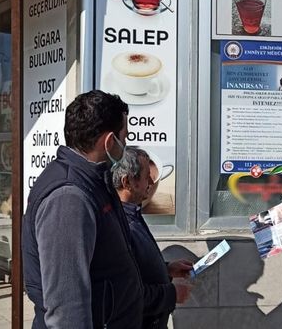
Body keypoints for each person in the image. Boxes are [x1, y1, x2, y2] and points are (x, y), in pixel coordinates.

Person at [22, 90, 143, 329]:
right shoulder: (69, 198)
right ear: (109, 141)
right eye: (124, 137)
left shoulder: (94, 180)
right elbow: (67, 307)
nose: (125, 144)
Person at [113, 147, 193, 329]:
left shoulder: (132, 214)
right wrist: (172, 295)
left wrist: (167, 269)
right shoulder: (119, 226)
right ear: (127, 182)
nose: (151, 182)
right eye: (145, 176)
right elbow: (127, 295)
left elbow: (139, 269)